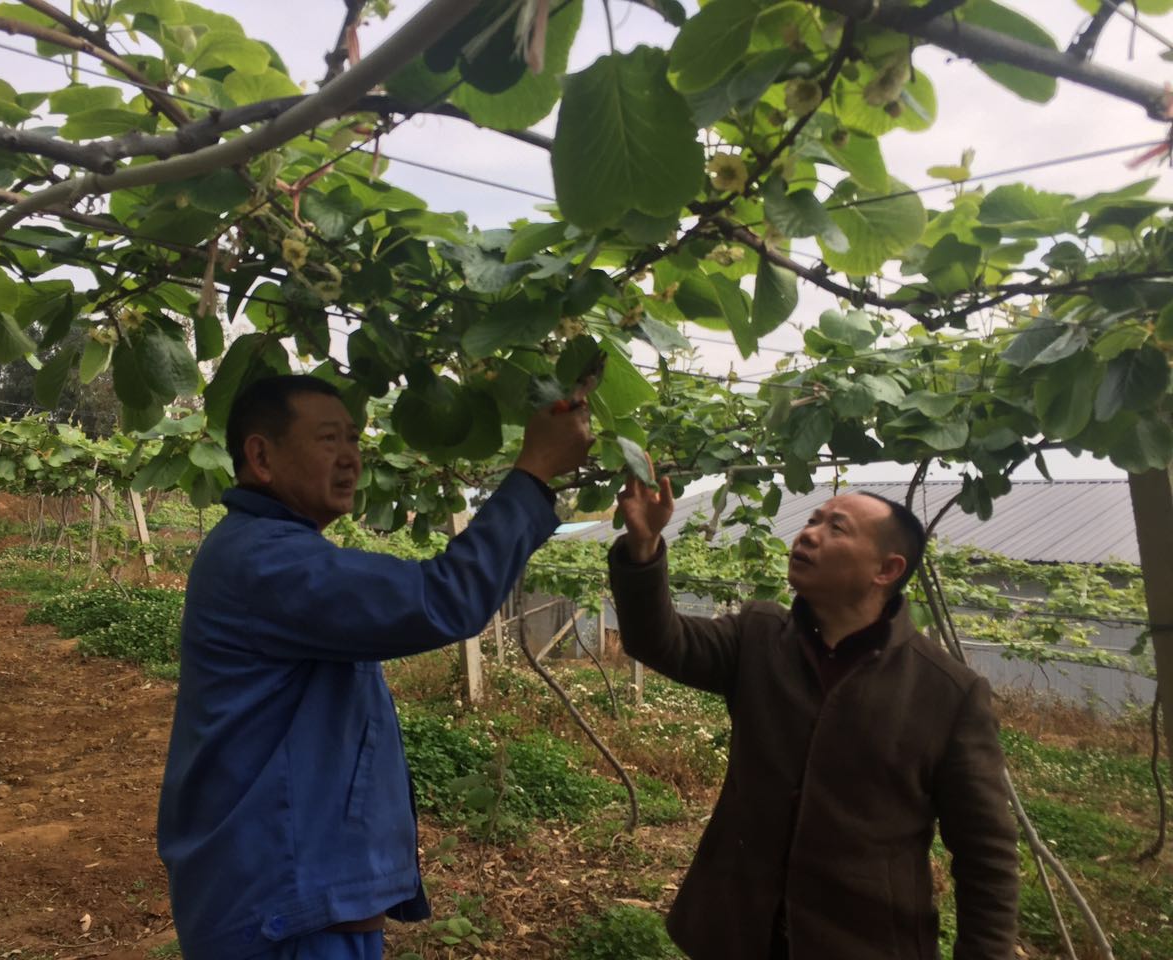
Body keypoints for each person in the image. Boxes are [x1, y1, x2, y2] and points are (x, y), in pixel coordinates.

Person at [157, 374, 593, 960]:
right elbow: (445, 599)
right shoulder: (264, 561)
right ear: (260, 456)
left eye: (354, 440)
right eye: (329, 438)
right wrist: (534, 470)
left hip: (297, 902)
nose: (351, 458)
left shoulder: (270, 551)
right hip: (286, 913)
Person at [608, 474, 1019, 960]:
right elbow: (660, 640)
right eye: (812, 520)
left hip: (862, 942)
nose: (808, 534)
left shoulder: (947, 693)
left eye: (837, 529)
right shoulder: (758, 637)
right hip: (734, 933)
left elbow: (985, 856)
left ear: (886, 569)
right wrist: (644, 544)